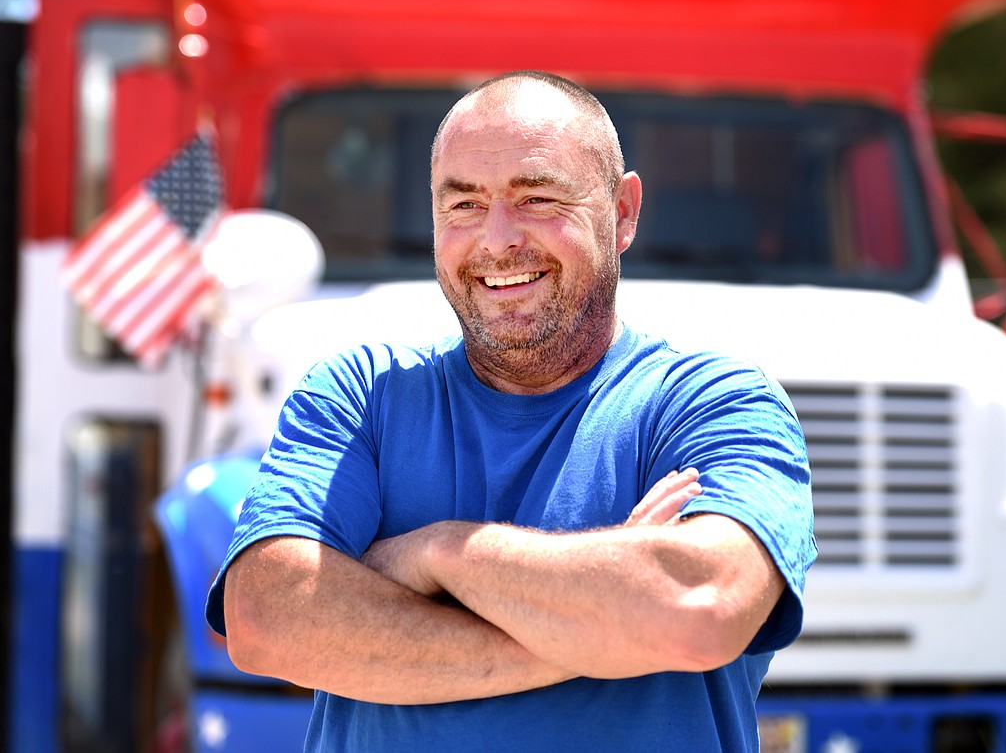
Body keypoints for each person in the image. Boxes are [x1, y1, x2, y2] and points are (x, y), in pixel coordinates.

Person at [206, 70, 816, 752]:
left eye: (537, 197)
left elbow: (699, 611)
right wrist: (608, 628)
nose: (497, 240)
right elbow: (266, 617)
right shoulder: (360, 397)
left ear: (621, 213)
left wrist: (433, 554)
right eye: (463, 205)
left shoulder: (712, 404)